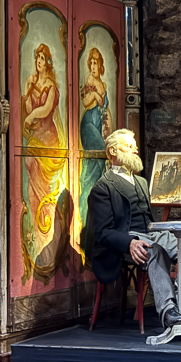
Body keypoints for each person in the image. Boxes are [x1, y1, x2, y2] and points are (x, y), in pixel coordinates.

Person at [87, 129, 181, 328]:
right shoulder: (102, 187)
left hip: (151, 233)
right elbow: (103, 232)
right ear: (113, 151)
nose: (135, 150)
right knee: (154, 251)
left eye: (135, 146)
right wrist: (130, 243)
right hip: (127, 238)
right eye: (128, 146)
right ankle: (168, 311)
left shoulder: (142, 182)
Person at [21, 43, 68, 279]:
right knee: (33, 196)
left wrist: (31, 115)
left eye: (43, 58)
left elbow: (45, 110)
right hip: (35, 140)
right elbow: (27, 110)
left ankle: (52, 249)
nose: (39, 61)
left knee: (48, 197)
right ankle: (39, 248)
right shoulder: (33, 84)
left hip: (48, 142)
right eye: (37, 57)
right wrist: (26, 89)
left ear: (48, 62)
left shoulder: (51, 87)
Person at [79, 48, 113, 267]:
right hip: (88, 125)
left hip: (99, 127)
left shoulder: (103, 84)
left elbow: (106, 113)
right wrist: (96, 97)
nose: (92, 66)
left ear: (100, 65)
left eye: (95, 63)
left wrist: (109, 132)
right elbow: (86, 102)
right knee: (100, 158)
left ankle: (94, 235)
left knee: (100, 173)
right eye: (90, 63)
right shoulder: (90, 83)